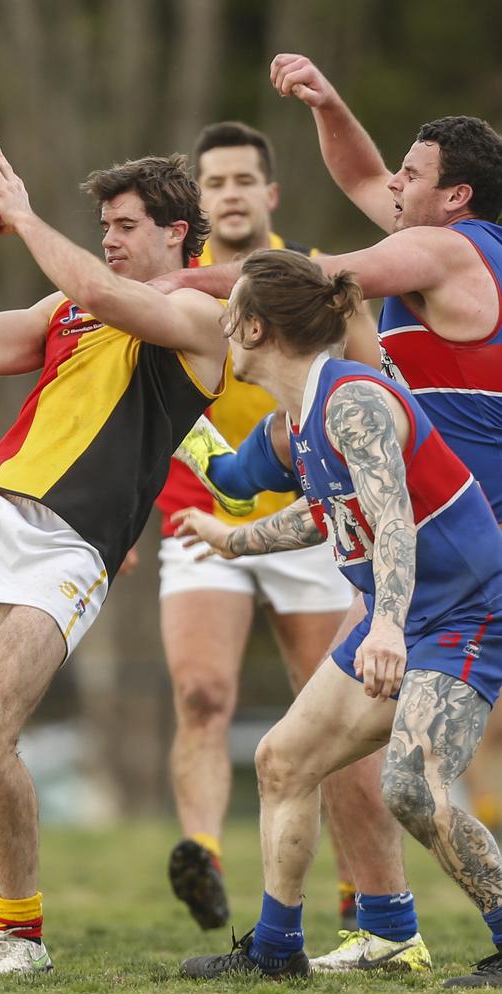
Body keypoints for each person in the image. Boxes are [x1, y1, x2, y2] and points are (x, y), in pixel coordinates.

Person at [159, 57, 502, 976]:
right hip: (425, 552)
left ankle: (437, 929)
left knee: (411, 785)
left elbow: (308, 275)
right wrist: (329, 103)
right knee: (288, 758)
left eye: (414, 177)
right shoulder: (307, 410)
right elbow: (358, 180)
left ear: (456, 197)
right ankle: (307, 945)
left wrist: (166, 288)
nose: (390, 185)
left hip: (466, 567)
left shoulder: (442, 252)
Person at [0, 133, 227, 978]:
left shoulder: (200, 318)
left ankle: (19, 937)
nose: (109, 236)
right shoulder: (66, 311)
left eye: (127, 223)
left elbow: (104, 288)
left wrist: (23, 217)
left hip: (65, 554)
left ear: (177, 233)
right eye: (102, 222)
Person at [155, 120, 387, 935]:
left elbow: (372, 381)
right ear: (198, 200)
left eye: (241, 180)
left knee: (334, 714)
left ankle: (366, 897)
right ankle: (203, 854)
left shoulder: (308, 282)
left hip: (319, 523)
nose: (229, 194)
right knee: (202, 693)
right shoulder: (177, 289)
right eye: (213, 183)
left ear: (270, 193)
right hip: (205, 516)